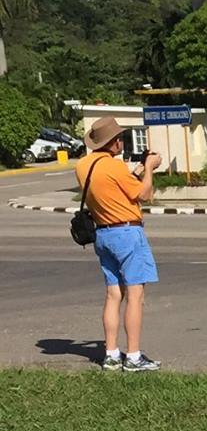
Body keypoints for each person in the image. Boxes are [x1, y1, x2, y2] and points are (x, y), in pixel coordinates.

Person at [74, 118, 161, 372]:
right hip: (127, 232)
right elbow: (144, 194)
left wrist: (133, 172)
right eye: (120, 139)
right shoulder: (115, 167)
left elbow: (110, 188)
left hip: (103, 234)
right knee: (135, 296)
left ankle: (111, 354)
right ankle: (133, 356)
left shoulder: (83, 165)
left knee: (113, 294)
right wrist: (149, 168)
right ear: (112, 143)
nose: (122, 143)